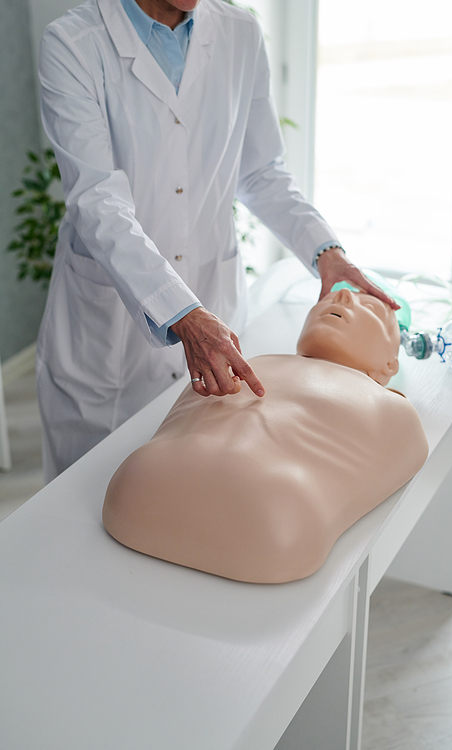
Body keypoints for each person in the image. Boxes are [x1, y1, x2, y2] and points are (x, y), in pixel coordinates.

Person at [36, 0, 399, 482]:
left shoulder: (240, 33)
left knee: (191, 489)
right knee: (84, 505)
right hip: (107, 336)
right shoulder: (74, 44)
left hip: (212, 297)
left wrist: (325, 252)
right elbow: (97, 200)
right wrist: (182, 314)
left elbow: (261, 171)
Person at [102, 288, 428, 584]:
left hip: (157, 488)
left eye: (369, 306)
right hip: (156, 475)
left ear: (390, 363)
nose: (341, 298)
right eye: (330, 297)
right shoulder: (245, 362)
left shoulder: (387, 406)